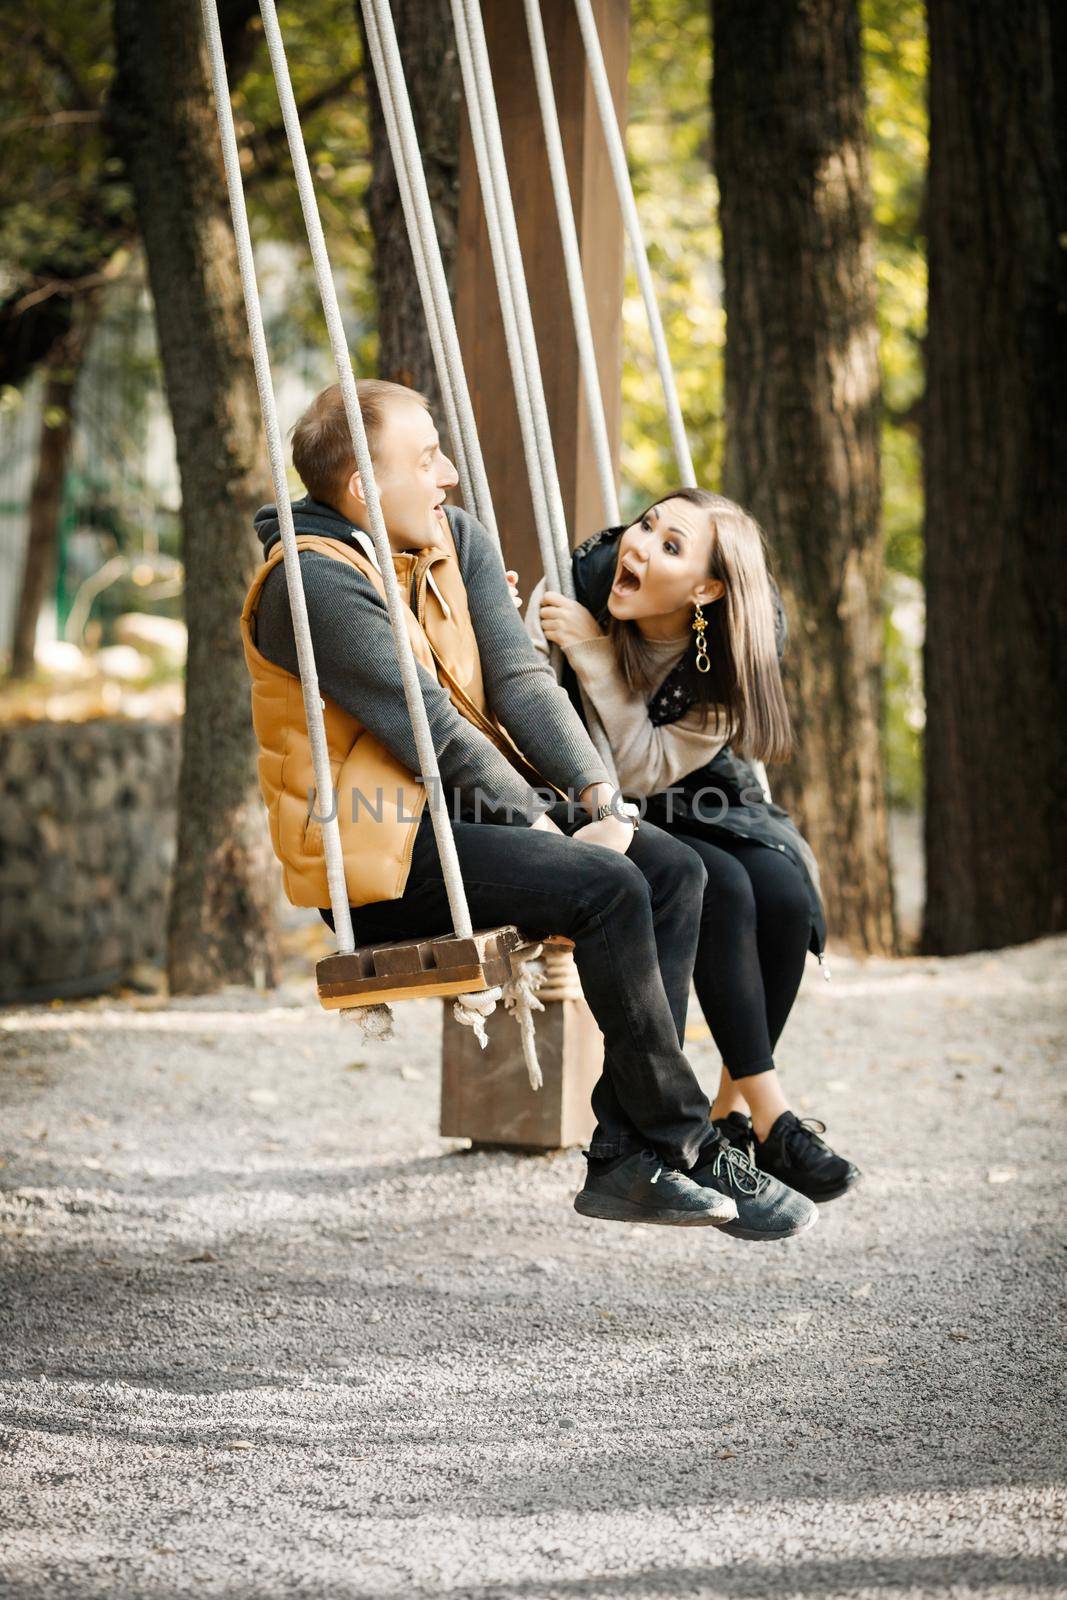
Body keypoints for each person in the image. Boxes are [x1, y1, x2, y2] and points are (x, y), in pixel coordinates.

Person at [239, 379, 818, 1239]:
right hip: (381, 850)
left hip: (465, 821)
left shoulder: (451, 538)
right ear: (363, 486)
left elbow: (515, 679)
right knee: (607, 885)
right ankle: (683, 1142)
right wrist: (545, 826)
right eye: (426, 456)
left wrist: (596, 798)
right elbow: (430, 729)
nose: (448, 476)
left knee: (671, 867)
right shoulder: (311, 583)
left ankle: (625, 1156)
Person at [521, 488, 861, 1204]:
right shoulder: (581, 577)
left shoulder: (737, 644)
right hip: (601, 788)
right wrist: (574, 644)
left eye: (670, 546)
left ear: (706, 588)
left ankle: (733, 1112)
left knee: (784, 890)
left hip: (693, 786)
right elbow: (593, 754)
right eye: (646, 524)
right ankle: (768, 1119)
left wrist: (594, 653)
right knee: (726, 888)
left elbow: (656, 763)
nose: (638, 547)